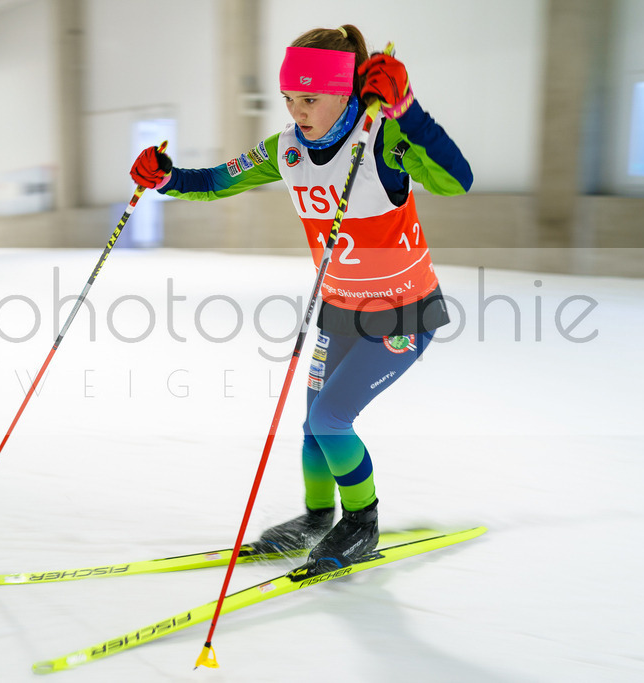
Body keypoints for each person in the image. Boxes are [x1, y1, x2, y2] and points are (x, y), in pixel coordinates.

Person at [130, 25, 473, 574]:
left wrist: (407, 110)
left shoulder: (381, 136)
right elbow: (218, 180)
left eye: (309, 98)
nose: (297, 110)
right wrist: (166, 178)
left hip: (404, 310)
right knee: (314, 422)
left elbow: (458, 180)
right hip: (340, 309)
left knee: (334, 418)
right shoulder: (286, 150)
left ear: (345, 90)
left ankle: (362, 522)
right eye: (290, 98)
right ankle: (318, 517)